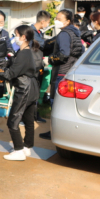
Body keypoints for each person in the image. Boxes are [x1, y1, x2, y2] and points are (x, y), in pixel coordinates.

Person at [0, 25, 39, 161]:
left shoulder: (23, 54)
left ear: (23, 37)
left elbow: (10, 74)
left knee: (13, 121)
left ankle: (19, 150)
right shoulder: (28, 52)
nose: (15, 38)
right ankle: (27, 147)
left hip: (24, 90)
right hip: (32, 89)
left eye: (16, 35)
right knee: (28, 120)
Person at [40, 9, 84, 140]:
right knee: (66, 105)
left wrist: (51, 59)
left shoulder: (64, 34)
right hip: (70, 70)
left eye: (59, 19)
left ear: (67, 21)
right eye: (56, 18)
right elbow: (79, 50)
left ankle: (54, 132)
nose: (56, 21)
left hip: (61, 72)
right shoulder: (76, 33)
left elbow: (64, 54)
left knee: (56, 103)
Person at [31, 10, 50, 123]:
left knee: (36, 92)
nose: (47, 25)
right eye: (47, 22)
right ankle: (29, 115)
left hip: (39, 65)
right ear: (43, 21)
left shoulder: (38, 32)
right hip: (33, 66)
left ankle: (35, 114)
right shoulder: (32, 32)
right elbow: (43, 44)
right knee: (31, 92)